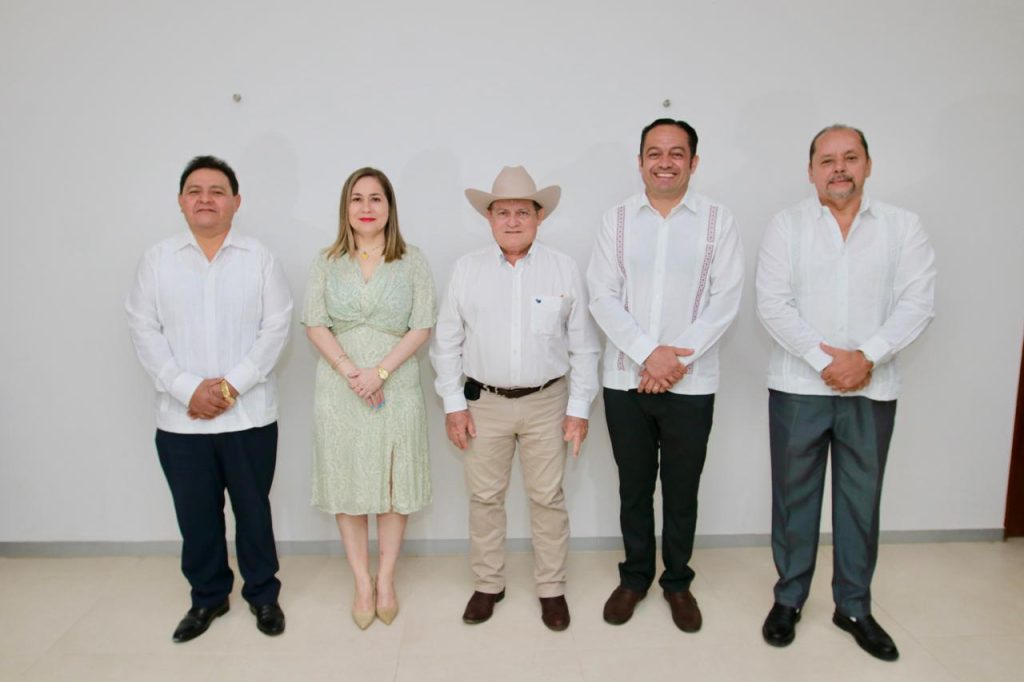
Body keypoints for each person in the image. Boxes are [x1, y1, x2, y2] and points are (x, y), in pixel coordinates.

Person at [756, 125, 935, 661]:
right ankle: (789, 599)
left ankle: (853, 606)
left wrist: (866, 358)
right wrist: (826, 362)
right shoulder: (786, 226)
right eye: (827, 160)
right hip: (798, 387)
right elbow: (772, 304)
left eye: (850, 158)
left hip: (872, 388)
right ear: (811, 170)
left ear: (868, 165)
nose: (839, 168)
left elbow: (917, 303)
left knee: (860, 502)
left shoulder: (903, 227)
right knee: (794, 500)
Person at [126, 155, 291, 642]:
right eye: (195, 191)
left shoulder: (260, 258)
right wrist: (187, 389)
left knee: (253, 512)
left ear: (236, 202)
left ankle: (263, 594)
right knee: (196, 516)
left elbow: (276, 328)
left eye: (217, 191)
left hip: (249, 416)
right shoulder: (157, 260)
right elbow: (143, 329)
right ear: (181, 201)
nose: (205, 199)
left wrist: (229, 386)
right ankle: (208, 597)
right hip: (182, 420)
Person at [587, 119, 744, 633]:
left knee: (681, 490)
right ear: (640, 162)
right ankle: (635, 578)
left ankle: (677, 582)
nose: (665, 162)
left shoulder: (718, 221)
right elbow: (602, 296)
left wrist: (673, 360)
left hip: (691, 384)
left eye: (677, 153)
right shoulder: (616, 221)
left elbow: (725, 301)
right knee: (633, 489)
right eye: (654, 152)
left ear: (693, 162)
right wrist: (646, 354)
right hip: (624, 380)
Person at [430, 166, 600, 631]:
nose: (512, 221)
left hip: (548, 402)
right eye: (502, 212)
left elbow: (584, 346)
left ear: (539, 217)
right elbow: (446, 343)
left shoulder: (563, 268)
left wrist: (579, 410)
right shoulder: (466, 270)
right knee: (485, 497)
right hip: (483, 403)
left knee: (548, 497)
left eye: (522, 212)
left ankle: (551, 588)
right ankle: (489, 584)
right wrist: (454, 405)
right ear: (489, 218)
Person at [302, 167, 436, 630]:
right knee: (349, 482)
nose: (365, 207)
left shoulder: (412, 261)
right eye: (356, 199)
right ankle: (362, 581)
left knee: (394, 486)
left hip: (395, 384)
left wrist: (379, 373)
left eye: (375, 198)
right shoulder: (326, 261)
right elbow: (315, 322)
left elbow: (422, 326)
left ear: (389, 207)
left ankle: (387, 579)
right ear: (345, 208)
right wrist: (352, 373)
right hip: (340, 387)